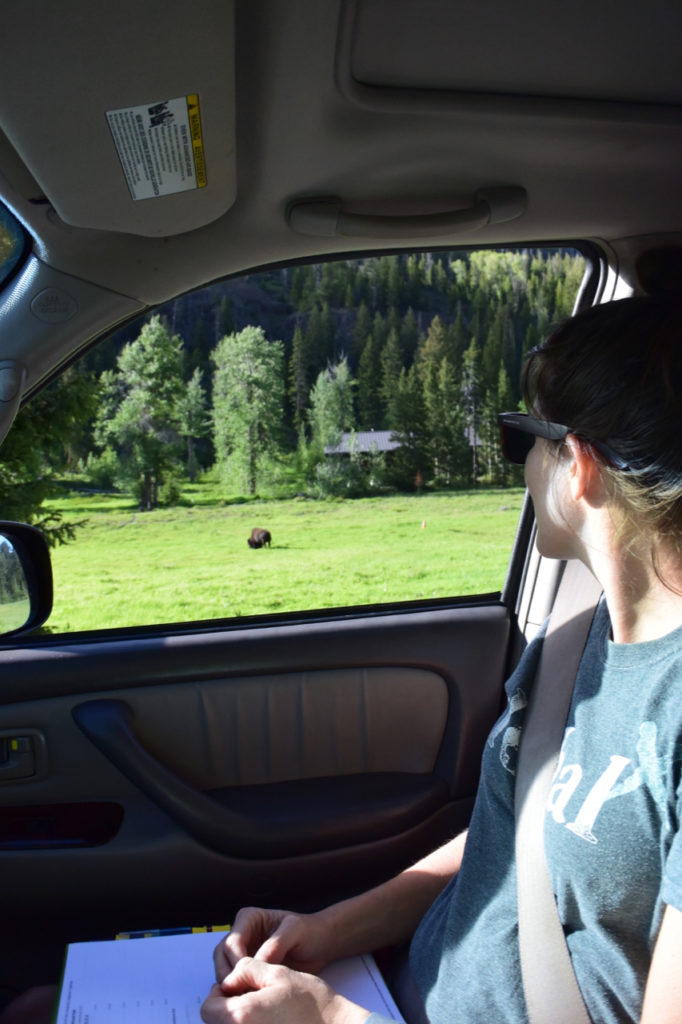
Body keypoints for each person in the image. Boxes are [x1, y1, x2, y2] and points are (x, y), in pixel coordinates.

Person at [201, 294, 682, 1024]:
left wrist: (330, 1019)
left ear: (578, 466)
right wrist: (332, 929)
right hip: (390, 993)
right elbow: (510, 834)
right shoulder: (576, 639)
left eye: (525, 439)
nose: (521, 465)